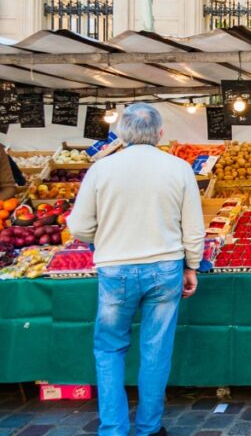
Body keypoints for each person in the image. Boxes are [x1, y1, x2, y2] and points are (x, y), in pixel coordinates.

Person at [67, 103, 204, 436]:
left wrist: (105, 233)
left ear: (122, 134)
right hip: (165, 267)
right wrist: (193, 266)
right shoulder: (179, 167)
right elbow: (193, 228)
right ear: (160, 133)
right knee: (156, 349)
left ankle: (113, 429)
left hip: (115, 269)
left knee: (110, 349)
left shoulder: (100, 169)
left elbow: (79, 229)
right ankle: (148, 427)